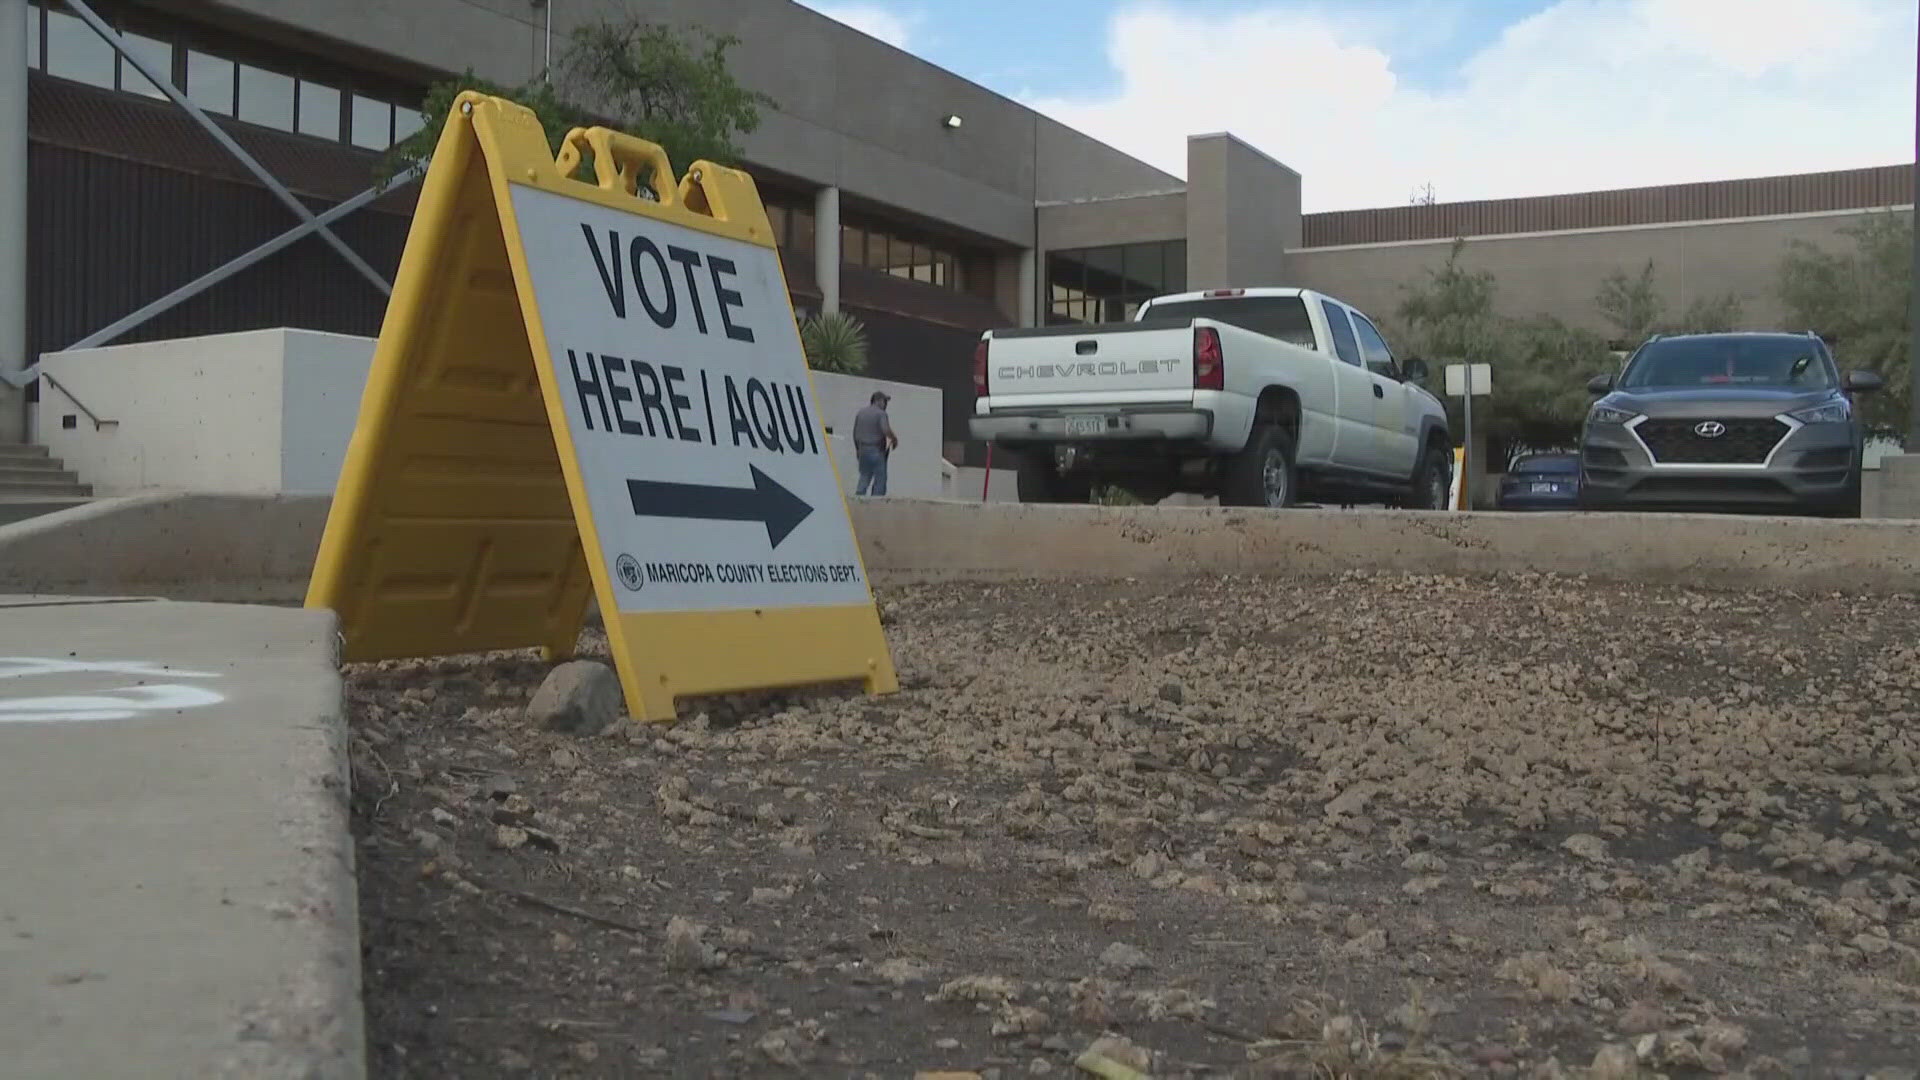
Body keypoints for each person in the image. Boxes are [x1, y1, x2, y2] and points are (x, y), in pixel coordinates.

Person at [851, 391, 898, 497]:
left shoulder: (861, 413)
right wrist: (894, 439)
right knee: (880, 478)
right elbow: (885, 430)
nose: (886, 404)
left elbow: (855, 434)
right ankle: (876, 504)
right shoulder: (881, 414)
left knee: (864, 476)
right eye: (884, 401)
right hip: (876, 450)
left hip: (862, 449)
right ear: (878, 401)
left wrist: (858, 450)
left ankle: (859, 499)